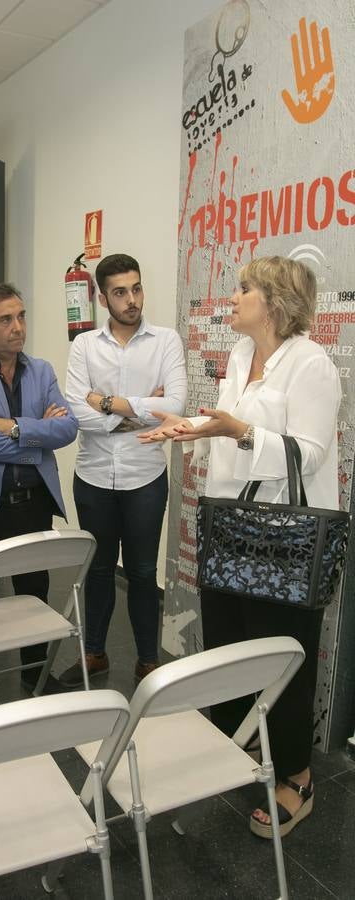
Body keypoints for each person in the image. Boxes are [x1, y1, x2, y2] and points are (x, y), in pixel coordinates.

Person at [139, 255, 340, 838]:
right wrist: (193, 429)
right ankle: (240, 746)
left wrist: (236, 430)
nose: (234, 294)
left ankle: (297, 777)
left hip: (282, 540)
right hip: (230, 526)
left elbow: (310, 452)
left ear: (274, 303)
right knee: (230, 643)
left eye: (245, 288)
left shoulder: (312, 364)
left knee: (283, 653)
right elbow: (231, 428)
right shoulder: (239, 356)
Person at [62, 253, 187, 687]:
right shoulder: (84, 346)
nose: (131, 299)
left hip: (145, 476)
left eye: (136, 288)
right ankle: (94, 653)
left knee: (140, 572)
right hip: (93, 475)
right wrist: (140, 412)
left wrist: (108, 402)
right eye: (120, 292)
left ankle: (148, 661)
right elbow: (78, 412)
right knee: (97, 569)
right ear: (101, 297)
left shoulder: (166, 341)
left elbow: (175, 407)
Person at [0, 282, 78, 695]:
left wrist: (15, 428)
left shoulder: (41, 370)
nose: (17, 327)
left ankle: (36, 676)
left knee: (35, 589)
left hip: (33, 502)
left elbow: (67, 428)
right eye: (4, 319)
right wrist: (36, 439)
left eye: (21, 316)